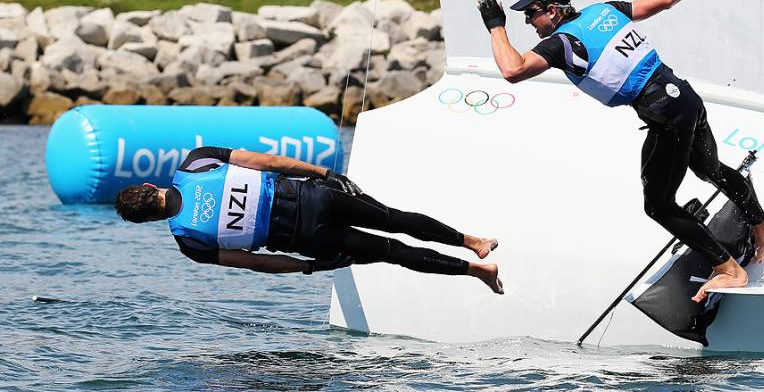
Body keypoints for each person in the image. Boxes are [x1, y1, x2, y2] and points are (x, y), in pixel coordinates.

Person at [474, 0, 764, 302]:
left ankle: (727, 269)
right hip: (685, 98)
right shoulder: (605, 11)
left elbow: (513, 69)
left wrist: (496, 26)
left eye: (532, 13)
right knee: (709, 168)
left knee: (658, 204)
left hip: (666, 116)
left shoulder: (562, 43)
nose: (528, 21)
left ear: (553, 10)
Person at [115, 147, 503, 294]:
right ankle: (472, 239)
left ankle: (476, 270)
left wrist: (310, 267)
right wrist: (321, 172)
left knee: (392, 252)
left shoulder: (190, 243)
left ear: (148, 220)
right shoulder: (197, 161)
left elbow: (259, 263)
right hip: (313, 197)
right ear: (151, 185)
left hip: (307, 238)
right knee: (394, 219)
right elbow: (266, 162)